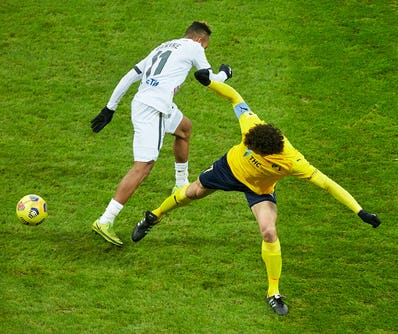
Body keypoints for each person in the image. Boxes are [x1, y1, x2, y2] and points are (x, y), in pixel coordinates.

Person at [131, 69, 381, 316]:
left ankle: (274, 292)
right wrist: (209, 83)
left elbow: (327, 184)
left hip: (259, 188)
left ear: (265, 153)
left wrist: (359, 211)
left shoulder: (293, 162)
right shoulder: (253, 125)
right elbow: (235, 98)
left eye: (250, 148)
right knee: (193, 192)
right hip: (228, 169)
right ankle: (154, 215)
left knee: (269, 231)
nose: (246, 146)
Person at [90, 21, 232, 246]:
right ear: (199, 39)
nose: (203, 50)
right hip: (154, 108)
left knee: (184, 128)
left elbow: (130, 76)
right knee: (143, 167)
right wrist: (225, 74)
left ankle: (180, 183)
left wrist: (110, 107)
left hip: (150, 103)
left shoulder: (162, 47)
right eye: (205, 46)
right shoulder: (194, 47)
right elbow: (206, 78)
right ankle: (105, 220)